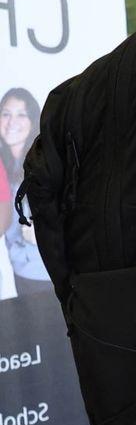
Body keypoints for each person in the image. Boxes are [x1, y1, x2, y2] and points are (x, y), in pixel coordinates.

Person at [1, 87, 48, 298]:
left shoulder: (44, 162)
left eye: (22, 114)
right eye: (6, 114)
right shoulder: (5, 166)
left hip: (49, 274)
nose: (12, 122)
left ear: (32, 121)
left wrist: (44, 231)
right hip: (22, 272)